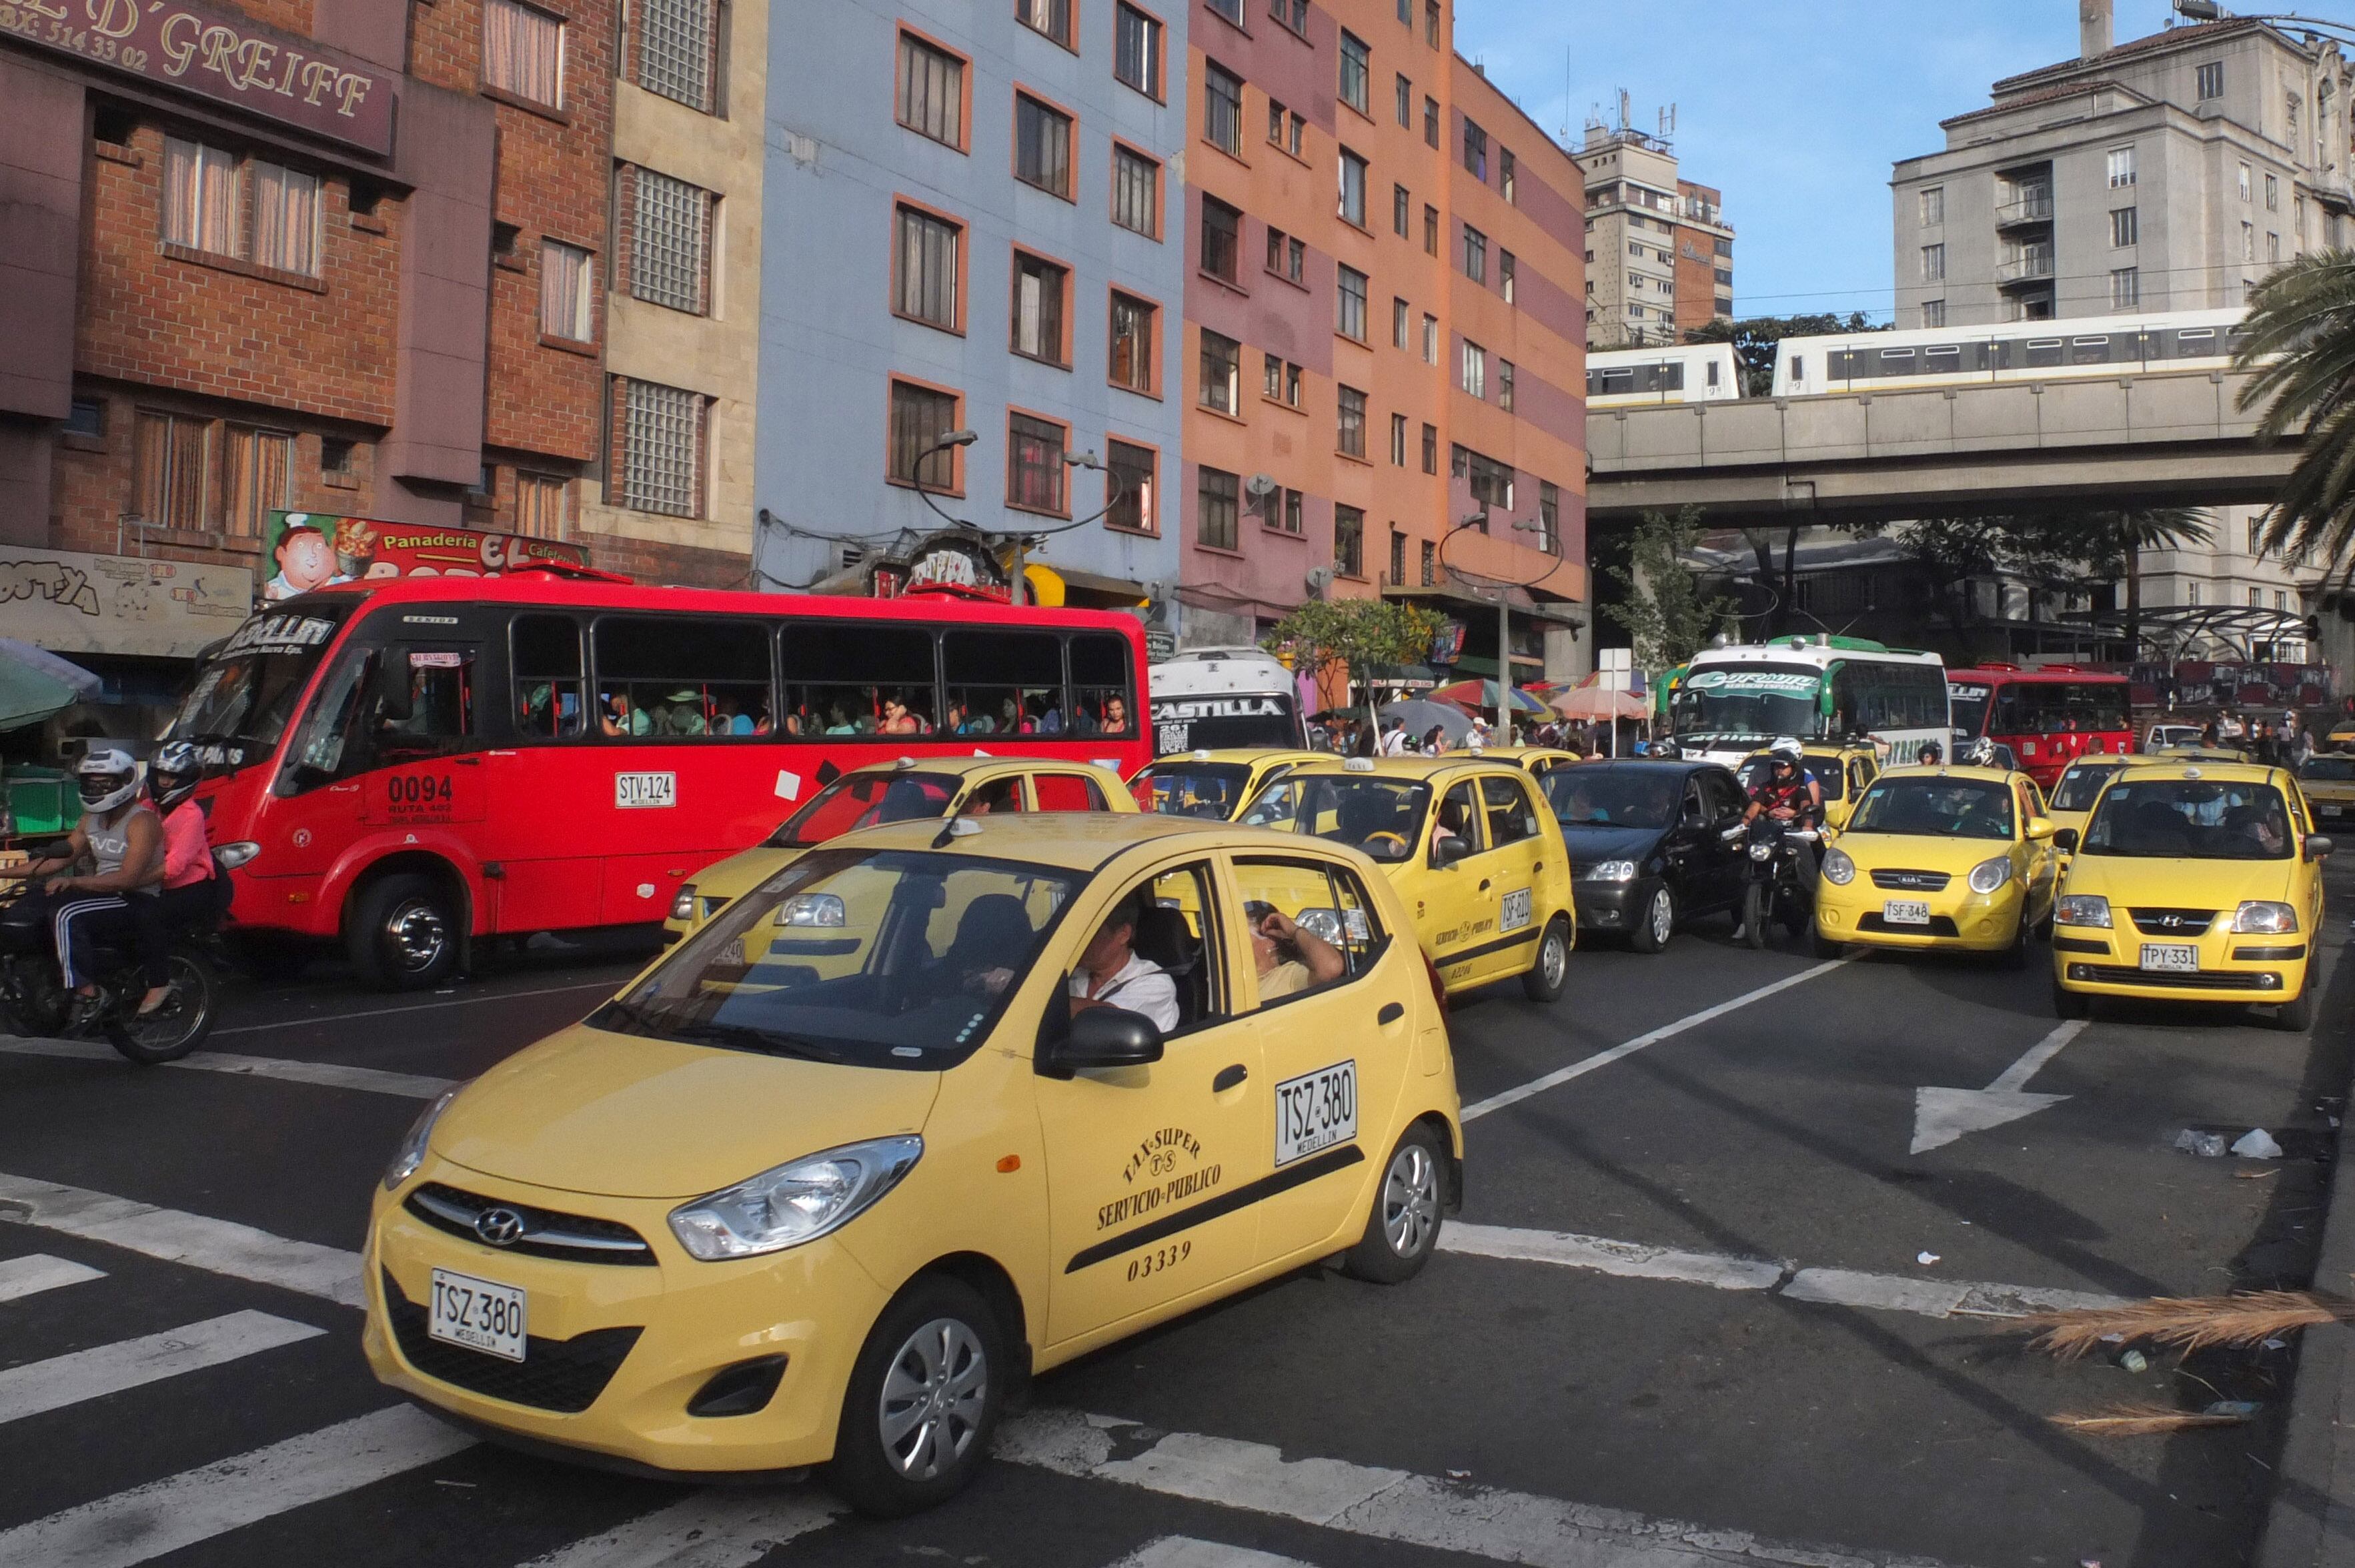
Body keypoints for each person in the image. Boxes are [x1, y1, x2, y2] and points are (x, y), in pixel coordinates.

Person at [0, 749, 164, 1014]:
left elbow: (129, 878)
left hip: (135, 898)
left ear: (126, 781)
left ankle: (87, 992)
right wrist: (3, 873)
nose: (96, 788)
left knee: (65, 914)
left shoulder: (142, 821)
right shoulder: (90, 820)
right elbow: (59, 861)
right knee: (30, 902)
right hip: (101, 892)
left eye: (104, 783)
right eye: (91, 783)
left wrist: (76, 883)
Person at [131, 742, 223, 1014]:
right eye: (160, 775)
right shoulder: (147, 807)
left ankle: (159, 982)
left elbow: (174, 868)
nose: (164, 782)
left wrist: (130, 880)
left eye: (171, 777)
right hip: (152, 884)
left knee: (149, 917)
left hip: (189, 889)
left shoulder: (192, 815)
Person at [1068, 892, 1179, 1033]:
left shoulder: (1155, 983)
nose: (1080, 941)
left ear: (1123, 934)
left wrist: (1048, 1004)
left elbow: (1110, 1019)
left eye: (1090, 933)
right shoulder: (1073, 974)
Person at [1245, 901, 1347, 1000]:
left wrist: (1293, 931)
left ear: (1269, 942)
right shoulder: (1235, 982)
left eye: (1246, 931)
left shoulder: (1288, 977)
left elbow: (1331, 966)